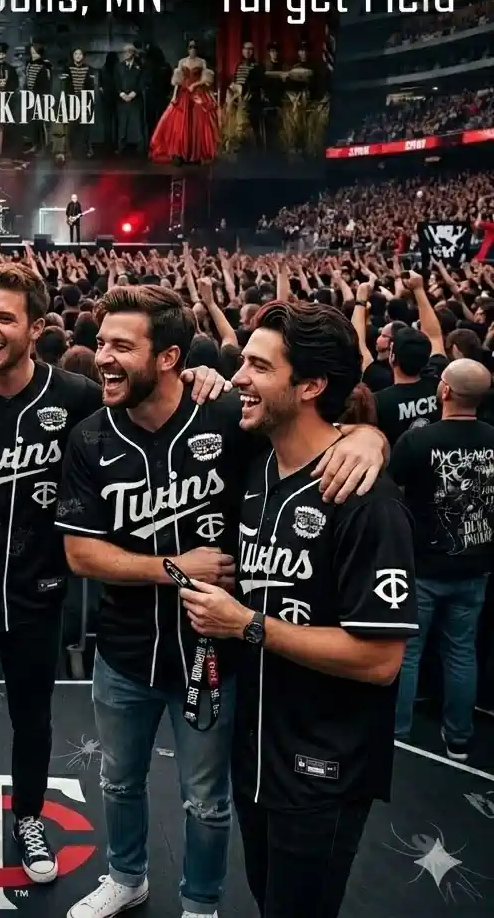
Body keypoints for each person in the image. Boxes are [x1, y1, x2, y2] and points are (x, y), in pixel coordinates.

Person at [0, 263, 228, 887]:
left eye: (5, 318)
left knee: (35, 719)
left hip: (38, 594)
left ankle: (30, 815)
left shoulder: (75, 395)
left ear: (36, 327)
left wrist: (198, 375)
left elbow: (145, 398)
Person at [56, 286, 386, 918]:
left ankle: (200, 903)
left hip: (217, 656)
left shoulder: (229, 415)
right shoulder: (90, 438)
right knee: (118, 781)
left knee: (206, 798)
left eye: (122, 346)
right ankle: (126, 877)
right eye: (100, 343)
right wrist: (172, 569)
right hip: (124, 653)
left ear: (168, 357)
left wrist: (369, 435)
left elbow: (311, 429)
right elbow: (80, 555)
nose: (103, 357)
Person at [181, 300, 416, 918]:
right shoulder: (258, 467)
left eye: (259, 366)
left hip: (325, 766)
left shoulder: (366, 500)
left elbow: (380, 659)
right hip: (257, 752)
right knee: (267, 899)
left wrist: (247, 624)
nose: (239, 378)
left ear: (310, 385)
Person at [389, 357, 494, 759]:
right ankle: (459, 737)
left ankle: (398, 733)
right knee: (461, 651)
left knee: (409, 651)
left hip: (423, 565)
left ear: (445, 391)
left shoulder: (418, 440)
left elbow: (392, 487)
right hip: (475, 565)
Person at [150, 40, 218, 165]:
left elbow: (205, 79)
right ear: (187, 49)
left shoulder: (201, 62)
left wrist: (195, 85)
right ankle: (180, 152)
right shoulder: (182, 61)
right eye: (190, 47)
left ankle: (197, 153)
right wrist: (174, 96)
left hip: (197, 92)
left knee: (199, 121)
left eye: (195, 47)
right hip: (184, 93)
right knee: (180, 121)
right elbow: (178, 81)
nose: (193, 49)